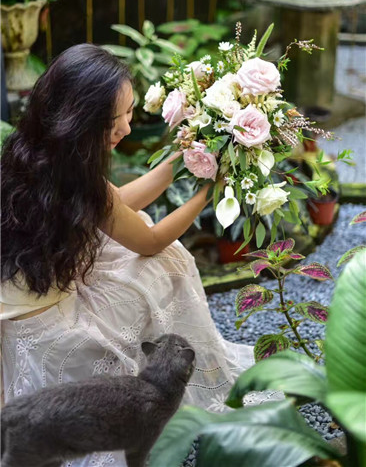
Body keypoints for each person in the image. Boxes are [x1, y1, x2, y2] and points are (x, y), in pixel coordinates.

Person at [1, 44, 281, 467]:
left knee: (150, 244)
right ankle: (167, 377)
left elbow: (121, 203)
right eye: (120, 119)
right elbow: (148, 241)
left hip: (23, 301)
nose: (129, 128)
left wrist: (185, 156)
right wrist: (207, 189)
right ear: (84, 120)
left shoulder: (37, 153)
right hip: (49, 324)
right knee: (166, 259)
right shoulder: (79, 180)